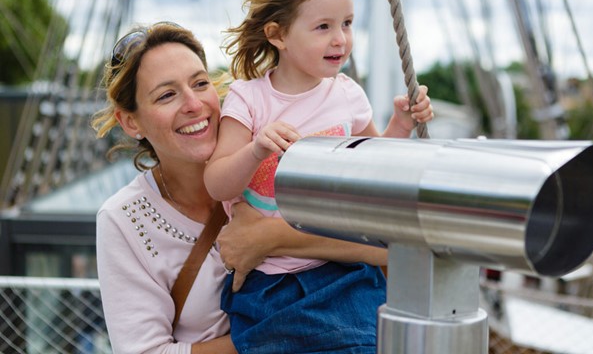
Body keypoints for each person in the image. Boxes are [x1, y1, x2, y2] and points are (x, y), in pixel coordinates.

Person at [92, 22, 388, 354]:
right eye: (166, 95)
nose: (193, 104)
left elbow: (388, 245)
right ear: (130, 122)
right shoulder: (124, 220)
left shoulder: (271, 160)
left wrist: (269, 238)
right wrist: (285, 332)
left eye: (200, 83)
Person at [203, 0, 434, 353]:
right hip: (269, 283)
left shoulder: (346, 95)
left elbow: (376, 164)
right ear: (278, 35)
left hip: (343, 273)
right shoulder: (249, 98)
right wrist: (256, 150)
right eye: (323, 27)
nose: (340, 39)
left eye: (346, 23)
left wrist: (402, 124)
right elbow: (217, 181)